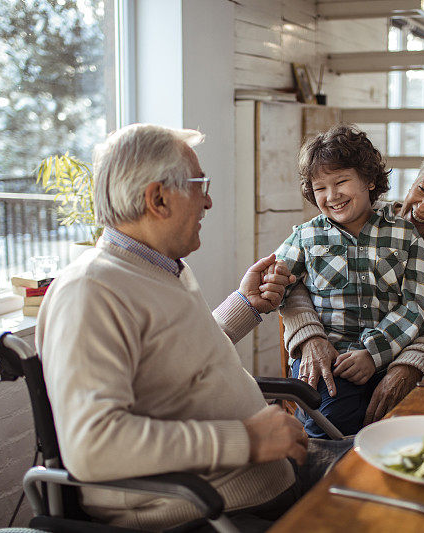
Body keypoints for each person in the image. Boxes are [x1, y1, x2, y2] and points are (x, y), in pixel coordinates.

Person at [36, 123, 351, 532]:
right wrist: (247, 440)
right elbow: (92, 445)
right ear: (158, 198)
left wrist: (246, 306)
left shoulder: (158, 267)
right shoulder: (90, 291)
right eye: (199, 186)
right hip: (210, 511)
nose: (209, 201)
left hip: (270, 478)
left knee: (406, 465)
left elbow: (180, 364)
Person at [282, 145, 424, 427]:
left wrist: (404, 366)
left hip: (397, 358)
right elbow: (294, 283)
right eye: (422, 189)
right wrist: (310, 337)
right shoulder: (354, 214)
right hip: (337, 358)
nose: (422, 207)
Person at [274, 125, 424, 438]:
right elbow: (276, 285)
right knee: (330, 431)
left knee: (408, 430)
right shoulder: (305, 236)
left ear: (369, 180)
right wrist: (273, 283)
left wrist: (373, 353)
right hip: (330, 363)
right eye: (320, 188)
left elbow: (417, 305)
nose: (332, 196)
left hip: (392, 357)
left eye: (341, 181)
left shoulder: (404, 235)